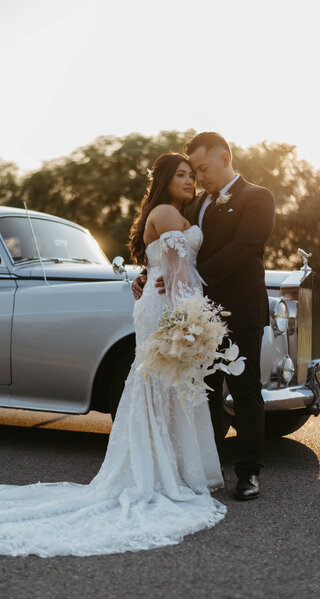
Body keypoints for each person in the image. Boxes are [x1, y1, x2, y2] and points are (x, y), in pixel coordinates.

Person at [0, 152, 226, 558]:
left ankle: (163, 467)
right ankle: (164, 470)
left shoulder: (172, 211)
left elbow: (166, 266)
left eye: (193, 175)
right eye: (182, 174)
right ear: (165, 180)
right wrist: (191, 318)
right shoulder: (169, 212)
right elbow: (178, 272)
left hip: (164, 301)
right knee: (157, 383)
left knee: (158, 383)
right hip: (170, 305)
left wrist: (157, 286)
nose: (190, 180)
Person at [133, 132, 275, 500]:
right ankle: (206, 472)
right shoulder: (193, 206)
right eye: (192, 170)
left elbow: (244, 248)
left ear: (225, 157)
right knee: (203, 393)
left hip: (239, 311)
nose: (198, 177)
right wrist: (151, 276)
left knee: (245, 392)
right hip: (194, 314)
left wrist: (193, 283)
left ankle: (248, 474)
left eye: (203, 168)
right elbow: (172, 250)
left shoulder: (257, 197)